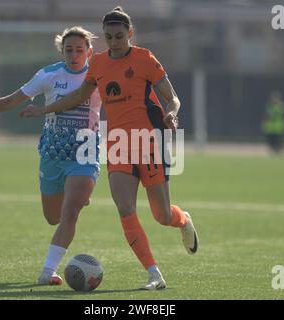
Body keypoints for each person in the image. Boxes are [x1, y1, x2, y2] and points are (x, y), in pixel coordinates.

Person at [20, 7, 199, 290]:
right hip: (117, 144)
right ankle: (154, 274)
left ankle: (183, 219)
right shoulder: (99, 64)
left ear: (130, 34)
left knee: (161, 215)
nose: (114, 42)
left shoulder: (144, 58)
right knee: (125, 208)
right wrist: (44, 110)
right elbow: (77, 97)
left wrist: (172, 113)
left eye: (119, 36)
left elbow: (173, 98)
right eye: (109, 37)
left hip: (150, 140)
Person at [0, 26, 102, 285]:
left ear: (89, 51)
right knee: (52, 217)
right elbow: (12, 100)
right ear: (61, 51)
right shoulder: (49, 75)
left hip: (85, 152)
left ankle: (47, 272)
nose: (74, 54)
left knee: (70, 213)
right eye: (69, 50)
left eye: (79, 49)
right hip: (53, 153)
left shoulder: (99, 75)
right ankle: (75, 194)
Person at [262, 91, 284, 155]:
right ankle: (274, 152)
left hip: (278, 128)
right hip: (270, 128)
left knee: (278, 142)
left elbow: (277, 114)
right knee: (271, 142)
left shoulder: (280, 106)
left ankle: (279, 151)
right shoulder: (270, 106)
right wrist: (265, 124)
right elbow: (266, 116)